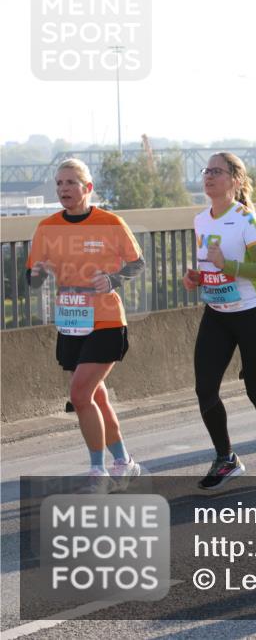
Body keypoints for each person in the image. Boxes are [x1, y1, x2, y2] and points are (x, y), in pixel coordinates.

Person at [26, 158, 145, 493]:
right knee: (97, 398)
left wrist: (113, 279)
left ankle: (99, 473)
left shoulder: (110, 222)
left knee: (79, 394)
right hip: (71, 321)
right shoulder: (47, 227)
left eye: (70, 183)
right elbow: (32, 279)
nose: (63, 189)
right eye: (59, 184)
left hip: (106, 320)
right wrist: (41, 272)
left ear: (87, 188)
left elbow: (137, 264)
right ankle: (124, 462)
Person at [182, 152, 256, 489]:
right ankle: (225, 457)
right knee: (205, 387)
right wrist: (197, 278)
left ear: (235, 180)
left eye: (217, 171)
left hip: (254, 313)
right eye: (206, 170)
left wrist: (228, 265)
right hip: (218, 313)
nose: (209, 176)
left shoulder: (247, 220)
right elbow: (212, 266)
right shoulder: (201, 220)